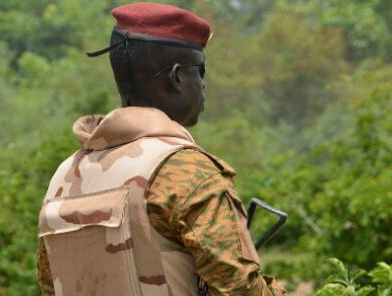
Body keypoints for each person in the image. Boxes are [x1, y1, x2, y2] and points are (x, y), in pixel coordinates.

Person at [37, 2, 285, 295]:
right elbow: (239, 290)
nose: (204, 84)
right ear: (177, 77)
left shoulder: (63, 178)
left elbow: (48, 286)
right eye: (200, 70)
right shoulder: (186, 171)